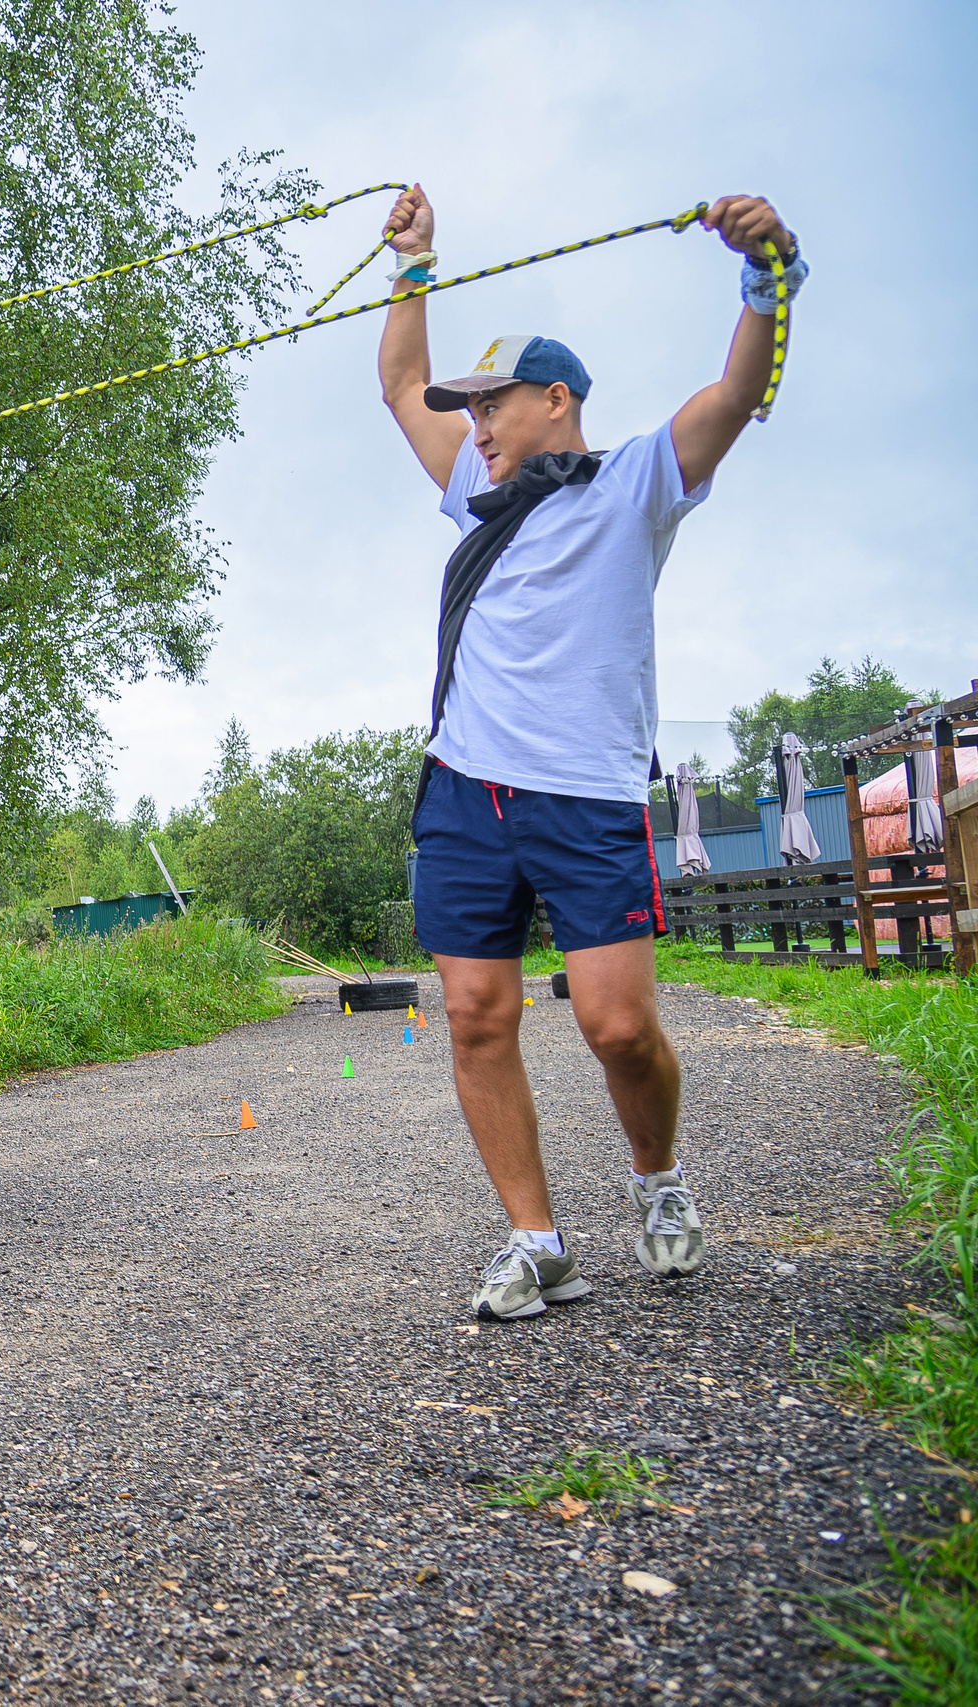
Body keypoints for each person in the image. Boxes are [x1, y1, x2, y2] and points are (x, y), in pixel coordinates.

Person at [375, 183, 803, 1321]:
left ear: (554, 400)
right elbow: (394, 389)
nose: (473, 427)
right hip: (465, 790)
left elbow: (734, 395)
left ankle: (657, 1181)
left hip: (587, 796)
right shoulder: (476, 490)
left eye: (491, 406)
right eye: (468, 413)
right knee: (474, 1014)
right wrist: (414, 265)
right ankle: (536, 1240)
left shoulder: (634, 484)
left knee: (618, 1029)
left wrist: (766, 275)